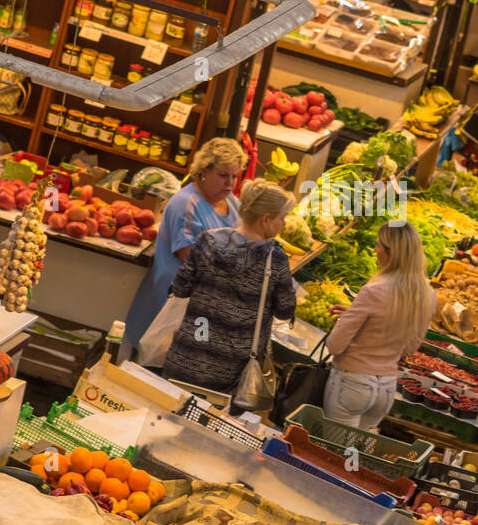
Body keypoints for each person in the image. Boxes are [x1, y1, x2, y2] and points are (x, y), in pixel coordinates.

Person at [162, 180, 297, 396]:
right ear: (265, 219)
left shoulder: (209, 240)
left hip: (190, 350)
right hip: (232, 368)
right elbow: (285, 310)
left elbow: (180, 288)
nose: (283, 223)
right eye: (281, 217)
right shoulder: (274, 258)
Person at [120, 137, 246, 362]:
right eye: (223, 175)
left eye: (234, 176)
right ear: (204, 171)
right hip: (173, 306)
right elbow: (193, 259)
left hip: (207, 305)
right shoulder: (185, 203)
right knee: (154, 372)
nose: (230, 184)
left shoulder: (232, 203)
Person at [322, 222, 437, 431]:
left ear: (393, 252)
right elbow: (409, 348)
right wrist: (360, 318)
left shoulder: (374, 290)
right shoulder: (427, 294)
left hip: (352, 383)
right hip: (385, 389)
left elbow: (334, 345)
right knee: (357, 456)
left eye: (379, 246)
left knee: (333, 453)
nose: (375, 251)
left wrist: (347, 323)